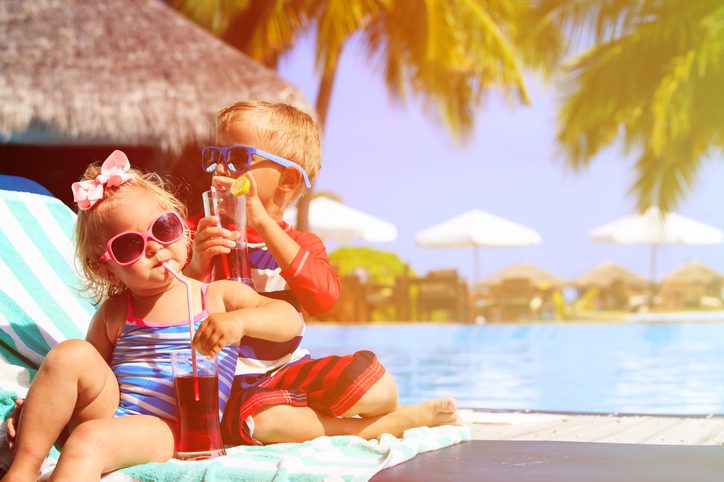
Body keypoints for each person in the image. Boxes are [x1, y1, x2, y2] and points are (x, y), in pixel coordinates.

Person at [2, 150, 301, 481]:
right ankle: (22, 471)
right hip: (111, 413)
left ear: (181, 228)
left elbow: (289, 320)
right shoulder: (116, 312)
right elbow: (84, 378)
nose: (155, 247)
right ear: (109, 271)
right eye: (130, 246)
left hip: (173, 429)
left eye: (164, 228)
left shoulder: (215, 296)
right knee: (71, 354)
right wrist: (39, 412)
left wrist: (239, 322)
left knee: (88, 440)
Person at [185, 101, 460, 446]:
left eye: (238, 158)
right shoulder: (198, 233)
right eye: (216, 155)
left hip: (287, 370)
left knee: (381, 389)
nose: (221, 168)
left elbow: (324, 299)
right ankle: (385, 425)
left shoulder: (300, 244)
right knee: (266, 421)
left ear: (287, 179)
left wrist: (263, 225)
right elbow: (171, 304)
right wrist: (197, 264)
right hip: (228, 383)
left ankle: (366, 412)